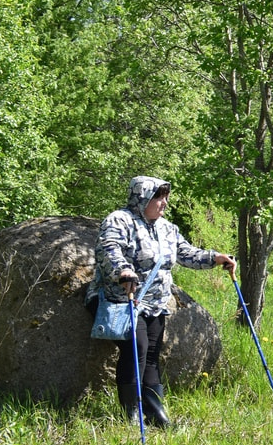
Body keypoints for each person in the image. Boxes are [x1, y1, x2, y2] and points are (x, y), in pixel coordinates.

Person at [88, 176, 236, 428]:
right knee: (138, 349)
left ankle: (157, 415)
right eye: (158, 197)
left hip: (156, 303)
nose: (164, 203)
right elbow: (108, 249)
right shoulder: (119, 220)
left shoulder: (167, 228)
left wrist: (216, 258)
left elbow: (186, 253)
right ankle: (132, 415)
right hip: (123, 300)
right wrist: (123, 270)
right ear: (141, 197)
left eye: (166, 197)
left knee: (152, 355)